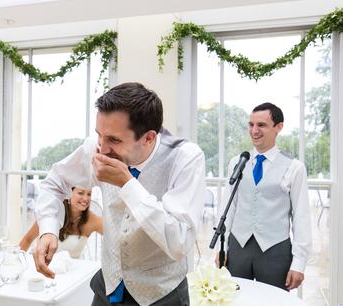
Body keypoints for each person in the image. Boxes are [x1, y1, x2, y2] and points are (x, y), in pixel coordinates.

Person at [35, 82, 205, 306]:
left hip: (162, 296)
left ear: (148, 138)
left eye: (114, 140)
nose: (103, 149)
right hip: (107, 288)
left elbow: (179, 243)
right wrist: (48, 230)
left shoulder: (184, 158)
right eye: (99, 135)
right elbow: (53, 183)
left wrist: (127, 184)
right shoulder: (98, 147)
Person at [216, 102, 312, 291]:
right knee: (233, 300)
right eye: (251, 125)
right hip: (238, 246)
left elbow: (301, 216)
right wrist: (223, 248)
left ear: (279, 127)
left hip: (275, 250)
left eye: (261, 125)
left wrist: (299, 263)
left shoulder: (294, 167)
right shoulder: (237, 162)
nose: (254, 130)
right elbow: (230, 206)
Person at [19, 186, 103, 259]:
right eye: (81, 193)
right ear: (69, 194)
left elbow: (113, 236)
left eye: (89, 194)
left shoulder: (91, 220)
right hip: (44, 268)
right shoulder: (51, 213)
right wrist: (18, 262)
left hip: (73, 272)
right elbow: (27, 239)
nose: (86, 198)